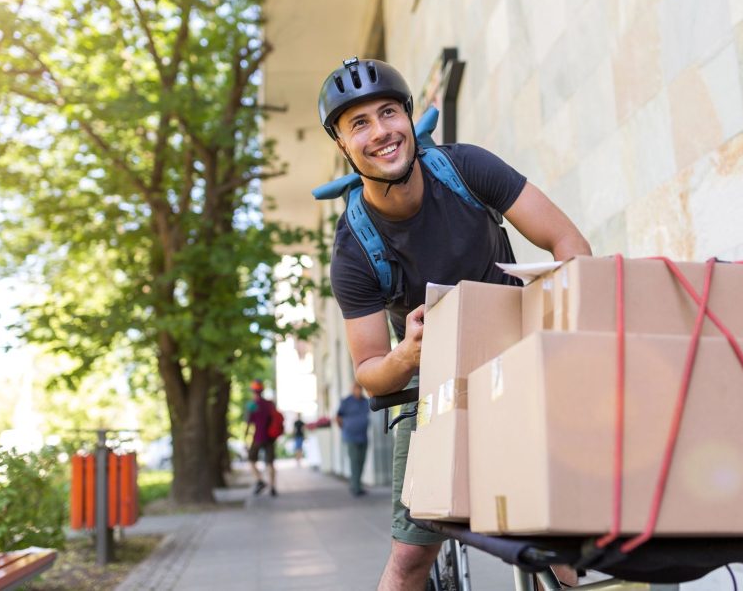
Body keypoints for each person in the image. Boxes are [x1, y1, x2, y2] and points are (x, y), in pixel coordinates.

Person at [318, 57, 591, 590]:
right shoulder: (353, 250)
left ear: (408, 117)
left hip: (518, 351)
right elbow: (370, 370)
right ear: (343, 147)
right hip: (431, 381)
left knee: (557, 540)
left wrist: (560, 318)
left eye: (389, 112)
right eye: (360, 124)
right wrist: (407, 355)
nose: (381, 132)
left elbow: (570, 245)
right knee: (409, 561)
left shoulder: (466, 168)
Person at [244, 379, 278, 497]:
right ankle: (273, 487)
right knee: (270, 463)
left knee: (251, 459)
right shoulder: (270, 404)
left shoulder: (252, 405)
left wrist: (245, 438)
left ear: (253, 391)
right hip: (270, 437)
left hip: (258, 437)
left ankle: (260, 480)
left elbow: (249, 423)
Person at [336, 382, 370, 496]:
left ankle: (357, 484)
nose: (358, 391)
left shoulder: (365, 401)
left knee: (361, 461)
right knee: (354, 461)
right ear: (352, 389)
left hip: (363, 436)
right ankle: (355, 487)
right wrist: (345, 428)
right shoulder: (346, 402)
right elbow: (338, 417)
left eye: (360, 389)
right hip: (351, 436)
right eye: (356, 389)